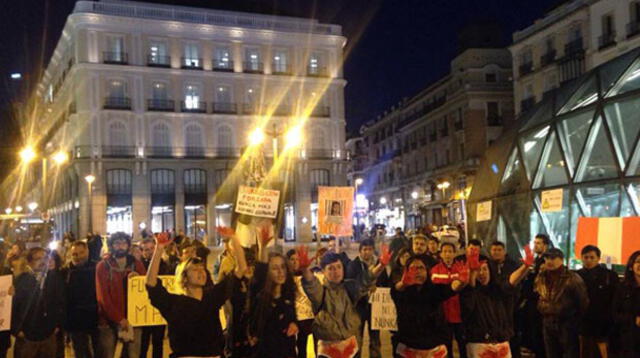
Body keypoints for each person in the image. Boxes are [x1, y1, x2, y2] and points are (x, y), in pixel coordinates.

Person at [146, 230, 247, 357]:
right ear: (185, 277)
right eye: (195, 269)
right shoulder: (174, 303)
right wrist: (159, 248)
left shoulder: (212, 297)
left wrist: (233, 238)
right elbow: (151, 283)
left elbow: (241, 269)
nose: (201, 272)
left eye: (203, 269)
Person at [301, 242, 388, 357]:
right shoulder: (321, 292)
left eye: (338, 267)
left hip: (351, 348)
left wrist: (381, 266)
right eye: (331, 268)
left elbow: (365, 281)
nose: (336, 271)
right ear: (323, 271)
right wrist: (304, 269)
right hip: (328, 351)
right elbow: (311, 285)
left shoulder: (349, 287)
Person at [391, 254, 469, 357]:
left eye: (420, 268)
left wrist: (461, 281)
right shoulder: (402, 291)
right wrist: (403, 283)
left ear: (427, 271)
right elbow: (396, 290)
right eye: (413, 268)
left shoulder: (434, 289)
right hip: (408, 347)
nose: (417, 271)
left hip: (433, 346)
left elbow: (451, 288)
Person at [461, 246, 533, 357]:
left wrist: (525, 266)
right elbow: (470, 287)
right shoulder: (469, 292)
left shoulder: (497, 289)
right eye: (478, 269)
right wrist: (472, 271)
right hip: (479, 344)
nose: (481, 273)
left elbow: (511, 281)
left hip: (501, 343)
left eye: (485, 269)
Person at [248, 225, 298, 358]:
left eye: (283, 267)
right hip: (265, 351)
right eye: (275, 268)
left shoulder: (288, 293)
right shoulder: (260, 294)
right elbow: (260, 271)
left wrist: (293, 324)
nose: (281, 272)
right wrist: (263, 247)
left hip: (287, 351)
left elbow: (293, 317)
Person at [95, 232, 146, 358]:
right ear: (111, 246)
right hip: (108, 321)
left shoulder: (136, 264)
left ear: (128, 246)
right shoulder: (103, 266)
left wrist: (139, 279)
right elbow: (103, 297)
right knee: (108, 354)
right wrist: (119, 318)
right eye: (117, 243)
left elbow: (145, 289)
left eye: (124, 243)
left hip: (134, 319)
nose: (121, 246)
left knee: (133, 355)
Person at [12, 247, 66, 358]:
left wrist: (57, 325)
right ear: (29, 262)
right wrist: (17, 330)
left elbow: (60, 302)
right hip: (27, 337)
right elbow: (13, 307)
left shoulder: (53, 277)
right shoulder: (20, 281)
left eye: (45, 258)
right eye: (38, 259)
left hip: (48, 335)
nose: (43, 261)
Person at [535, 247, 589, 358]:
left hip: (567, 322)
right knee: (551, 353)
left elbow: (583, 302)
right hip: (547, 321)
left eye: (553, 258)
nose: (549, 261)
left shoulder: (572, 278)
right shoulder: (541, 276)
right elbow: (538, 294)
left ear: (561, 259)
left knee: (570, 353)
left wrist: (575, 320)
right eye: (547, 258)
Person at [576, 245, 619, 358]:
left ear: (598, 258)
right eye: (586, 257)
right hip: (582, 319)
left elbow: (615, 298)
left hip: (603, 319)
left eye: (592, 257)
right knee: (583, 350)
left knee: (603, 350)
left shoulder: (609, 275)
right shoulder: (576, 275)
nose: (588, 260)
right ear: (581, 258)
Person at [346, 239, 385, 358]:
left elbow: (385, 282)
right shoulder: (354, 265)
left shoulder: (380, 263)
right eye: (365, 249)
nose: (367, 252)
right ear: (360, 251)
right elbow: (351, 285)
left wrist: (378, 288)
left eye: (370, 249)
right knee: (357, 339)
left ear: (373, 250)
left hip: (376, 307)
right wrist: (366, 287)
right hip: (359, 307)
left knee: (375, 340)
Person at [65, 241, 101, 358]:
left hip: (95, 317)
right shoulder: (65, 271)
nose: (78, 257)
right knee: (80, 350)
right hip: (75, 319)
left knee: (99, 350)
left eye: (81, 253)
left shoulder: (97, 268)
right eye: (75, 254)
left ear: (87, 252)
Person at [517, 233, 551, 358]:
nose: (535, 245)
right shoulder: (535, 260)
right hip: (530, 300)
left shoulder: (546, 261)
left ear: (545, 246)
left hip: (539, 300)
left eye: (539, 243)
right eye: (535, 243)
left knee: (538, 331)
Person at [431, 242, 466, 358]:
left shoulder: (461, 268)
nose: (447, 254)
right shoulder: (435, 270)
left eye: (450, 251)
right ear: (440, 254)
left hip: (460, 313)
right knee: (447, 346)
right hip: (443, 314)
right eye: (445, 251)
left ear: (454, 253)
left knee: (462, 344)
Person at [488, 241, 521, 357]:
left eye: (499, 250)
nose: (496, 252)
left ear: (504, 251)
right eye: (494, 250)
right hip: (493, 305)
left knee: (512, 335)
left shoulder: (513, 265)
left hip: (510, 304)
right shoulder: (488, 265)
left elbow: (517, 285)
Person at [139, 238, 170, 358]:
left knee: (158, 342)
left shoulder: (165, 265)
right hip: (142, 312)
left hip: (158, 312)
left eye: (153, 248)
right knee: (143, 343)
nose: (150, 251)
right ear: (142, 252)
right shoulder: (138, 266)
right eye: (146, 249)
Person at [286, 249, 315, 358]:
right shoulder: (285, 278)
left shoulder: (307, 275)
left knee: (304, 345)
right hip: (293, 318)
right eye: (292, 259)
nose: (295, 262)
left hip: (307, 317)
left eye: (297, 259)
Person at [612, 250, 640, 357]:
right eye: (638, 262)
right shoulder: (622, 288)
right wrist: (634, 320)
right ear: (631, 266)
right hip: (627, 340)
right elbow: (614, 313)